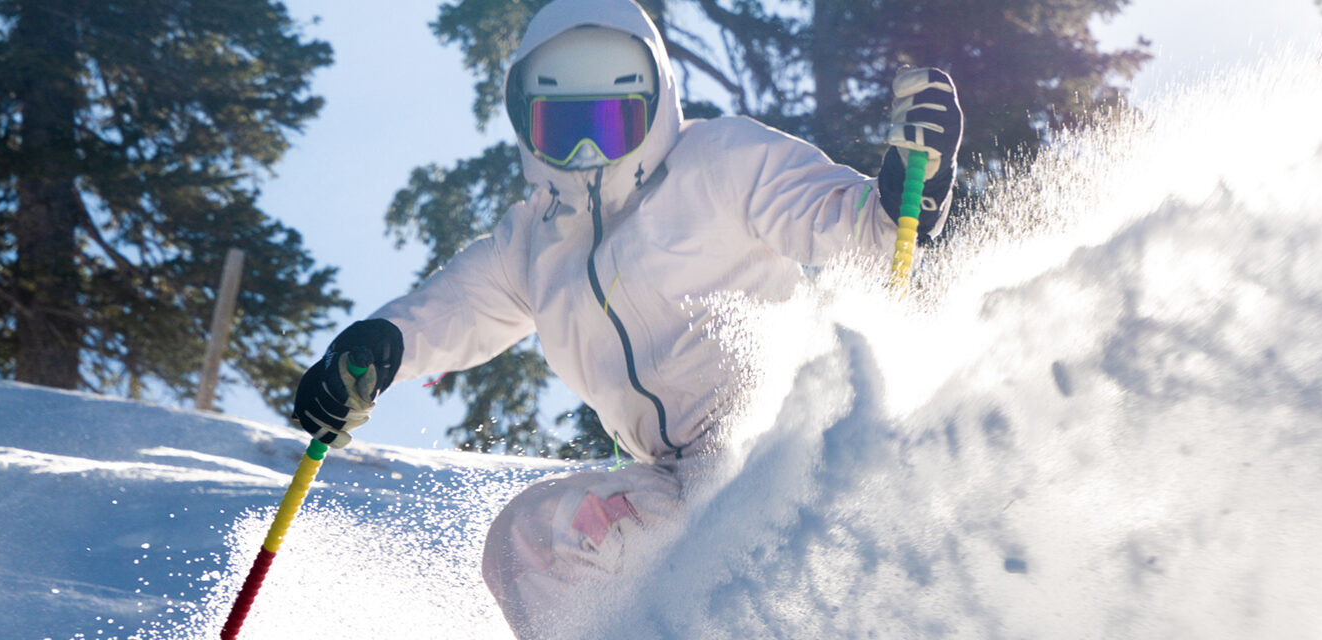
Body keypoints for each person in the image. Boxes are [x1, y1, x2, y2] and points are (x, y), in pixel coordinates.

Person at [289, 0, 961, 633]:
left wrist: (908, 188)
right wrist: (377, 348)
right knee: (528, 541)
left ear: (656, 107)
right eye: (564, 128)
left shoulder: (719, 162)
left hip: (783, 443)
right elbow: (452, 309)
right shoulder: (534, 244)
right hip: (678, 489)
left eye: (610, 124)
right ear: (528, 127)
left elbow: (856, 230)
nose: (589, 154)